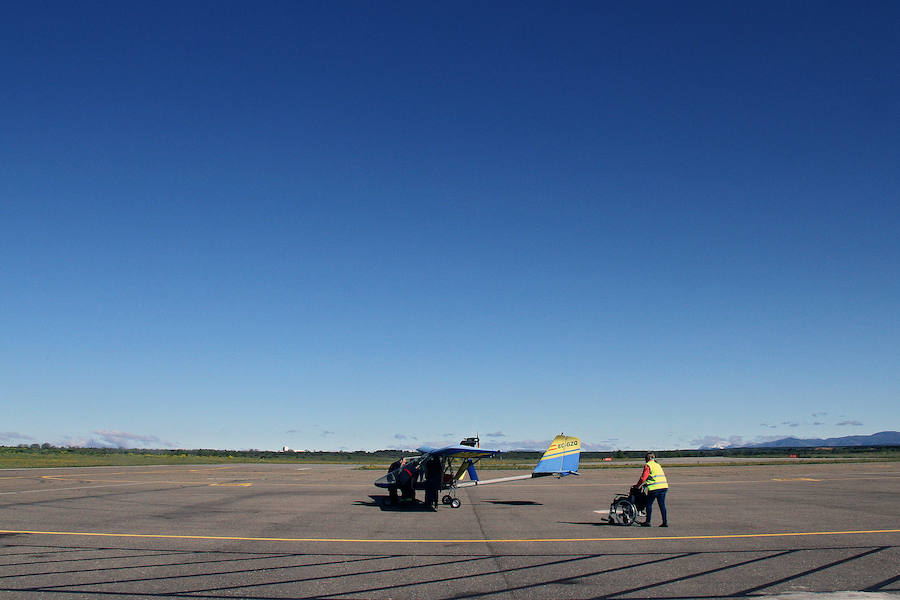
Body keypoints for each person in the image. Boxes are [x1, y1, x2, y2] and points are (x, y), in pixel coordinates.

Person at [635, 452, 668, 527]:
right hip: (663, 486)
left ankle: (648, 521)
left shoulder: (648, 465)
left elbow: (643, 478)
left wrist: (637, 486)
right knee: (662, 505)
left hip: (654, 488)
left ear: (648, 458)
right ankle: (665, 522)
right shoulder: (657, 465)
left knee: (648, 504)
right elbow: (655, 476)